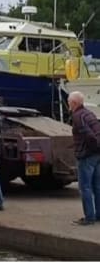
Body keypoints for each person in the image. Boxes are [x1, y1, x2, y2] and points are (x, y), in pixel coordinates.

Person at [68, 91, 100, 226]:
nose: (68, 105)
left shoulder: (77, 116)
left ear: (74, 103)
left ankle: (89, 217)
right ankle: (98, 215)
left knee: (85, 187)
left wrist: (90, 149)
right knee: (97, 186)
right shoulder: (89, 113)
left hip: (87, 156)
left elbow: (89, 135)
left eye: (69, 102)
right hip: (97, 155)